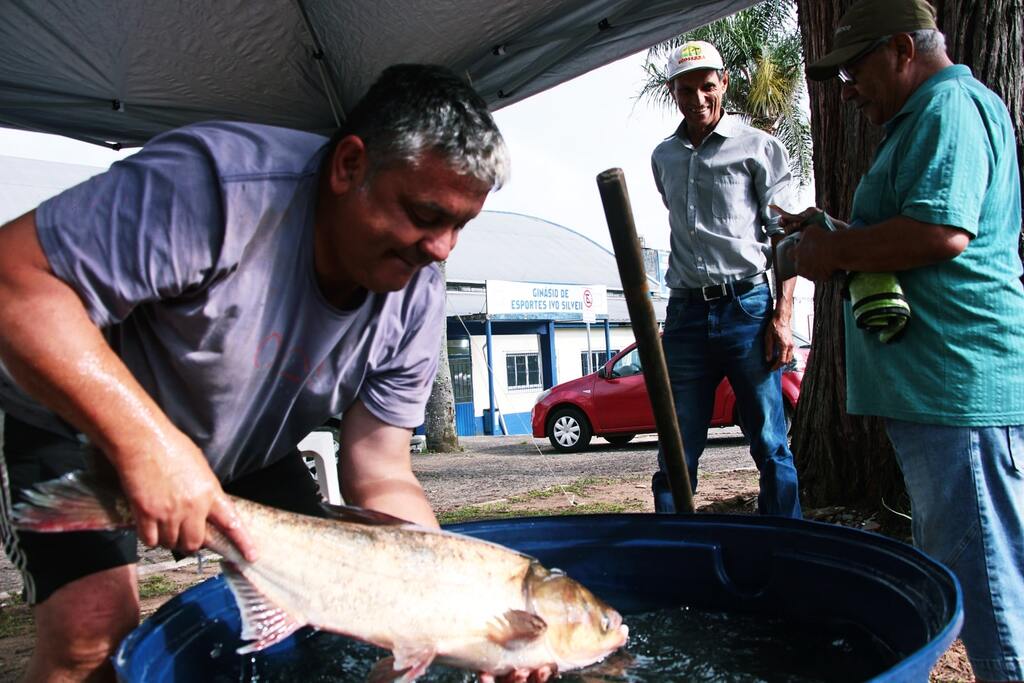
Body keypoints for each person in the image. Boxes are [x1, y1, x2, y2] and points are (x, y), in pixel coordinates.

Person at [0, 64, 553, 683]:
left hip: (250, 447)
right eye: (426, 214)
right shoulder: (216, 188)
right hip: (76, 413)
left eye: (460, 225)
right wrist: (148, 446)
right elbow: (15, 282)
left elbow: (381, 470)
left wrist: (444, 613)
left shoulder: (416, 296)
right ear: (349, 166)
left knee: (316, 629)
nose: (442, 248)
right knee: (92, 635)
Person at [786, 0, 1024, 678]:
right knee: (982, 574)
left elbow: (940, 232)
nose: (848, 90)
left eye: (854, 70)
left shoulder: (948, 109)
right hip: (944, 393)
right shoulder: (935, 113)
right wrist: (835, 231)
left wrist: (834, 252)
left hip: (959, 390)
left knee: (989, 591)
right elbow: (924, 224)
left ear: (901, 49)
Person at [649, 40, 802, 518]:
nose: (698, 99)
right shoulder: (664, 156)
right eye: (686, 90)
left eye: (707, 87)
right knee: (676, 448)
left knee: (771, 442)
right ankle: (675, 550)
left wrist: (782, 316)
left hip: (747, 309)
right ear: (673, 92)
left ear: (725, 84)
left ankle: (785, 545)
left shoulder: (759, 147)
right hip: (686, 313)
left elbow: (785, 236)